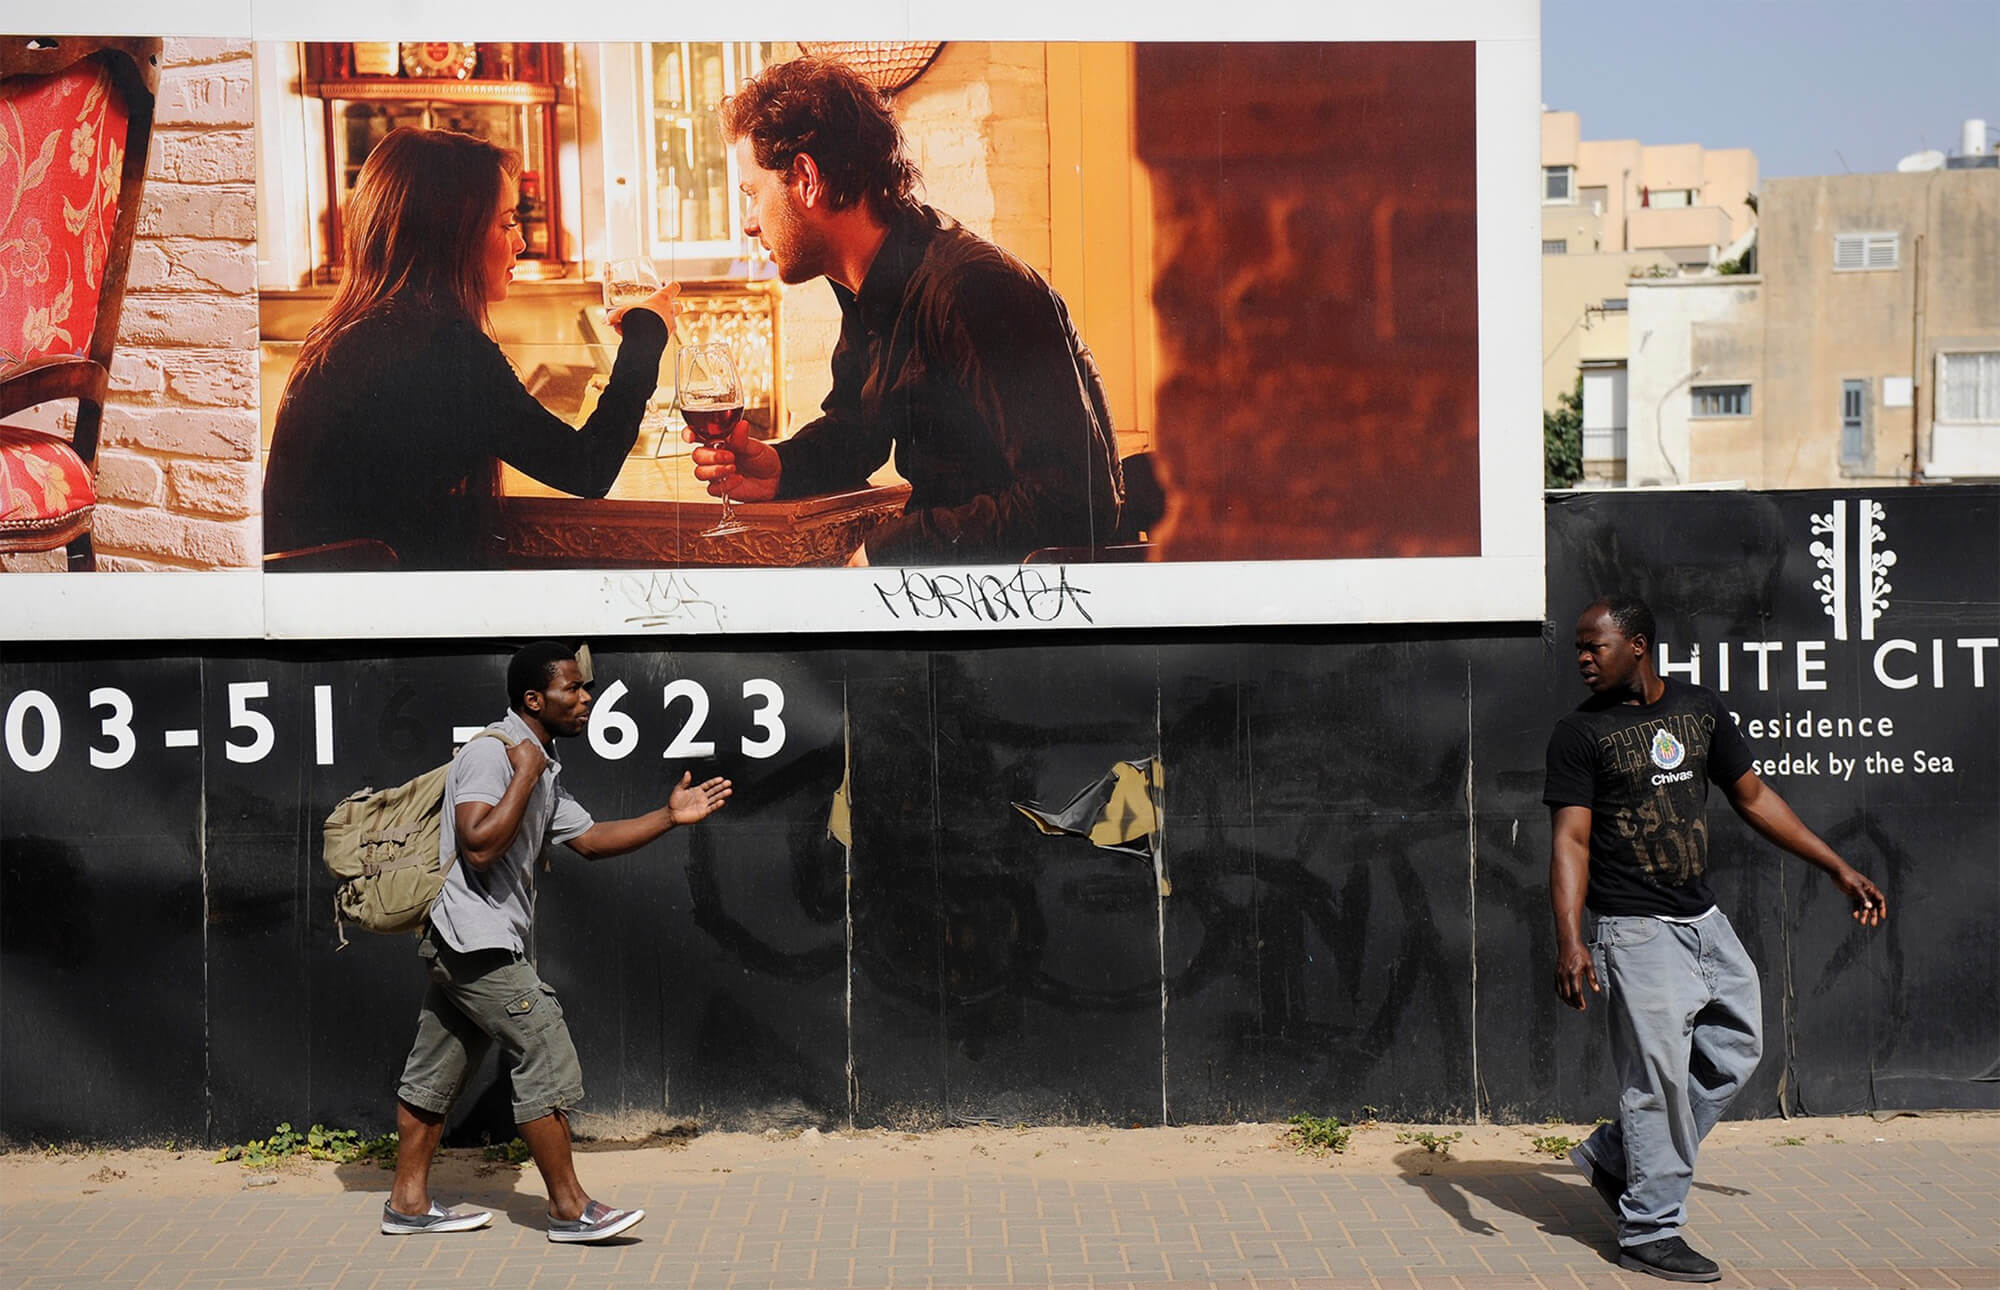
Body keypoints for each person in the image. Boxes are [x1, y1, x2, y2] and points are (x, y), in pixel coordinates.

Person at [1545, 594, 1886, 1283]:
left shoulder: (1697, 710)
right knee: (1659, 1082)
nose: (1583, 659)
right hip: (1635, 931)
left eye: (1595, 647)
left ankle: (1620, 1158)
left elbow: (1755, 797)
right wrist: (1571, 939)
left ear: (1637, 646)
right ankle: (1648, 1229)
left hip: (1705, 921)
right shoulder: (1579, 734)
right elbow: (1571, 840)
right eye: (1579, 648)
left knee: (1738, 1049)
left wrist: (1838, 867)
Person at [692, 56, 1124, 566]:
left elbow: (1077, 506)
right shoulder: (870, 280)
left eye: (752, 193)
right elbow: (856, 429)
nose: (749, 223)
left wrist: (891, 551)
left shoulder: (970, 288)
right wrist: (779, 465)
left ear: (806, 179)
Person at [382, 640, 732, 1243]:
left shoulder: (538, 761)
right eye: (574, 689)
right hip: (475, 942)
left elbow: (591, 838)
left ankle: (407, 1204)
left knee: (436, 1069)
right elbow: (479, 844)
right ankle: (569, 1208)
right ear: (534, 699)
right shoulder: (496, 755)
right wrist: (522, 773)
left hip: (466, 940)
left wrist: (668, 817)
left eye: (583, 688)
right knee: (542, 1044)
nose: (586, 699)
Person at [264, 128, 679, 570]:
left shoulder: (343, 332)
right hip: (387, 624)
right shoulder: (445, 350)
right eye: (506, 223)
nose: (520, 242)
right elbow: (589, 468)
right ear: (450, 235)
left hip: (320, 619)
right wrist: (646, 335)